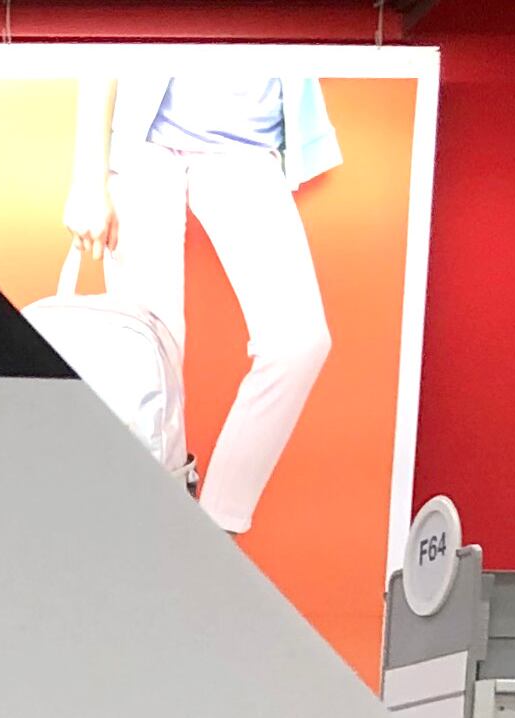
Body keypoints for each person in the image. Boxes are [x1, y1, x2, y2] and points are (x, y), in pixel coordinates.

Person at [67, 67, 338, 537]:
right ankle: (151, 536)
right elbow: (105, 43)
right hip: (146, 147)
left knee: (299, 342)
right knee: (150, 361)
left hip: (248, 149)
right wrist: (88, 180)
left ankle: (211, 534)